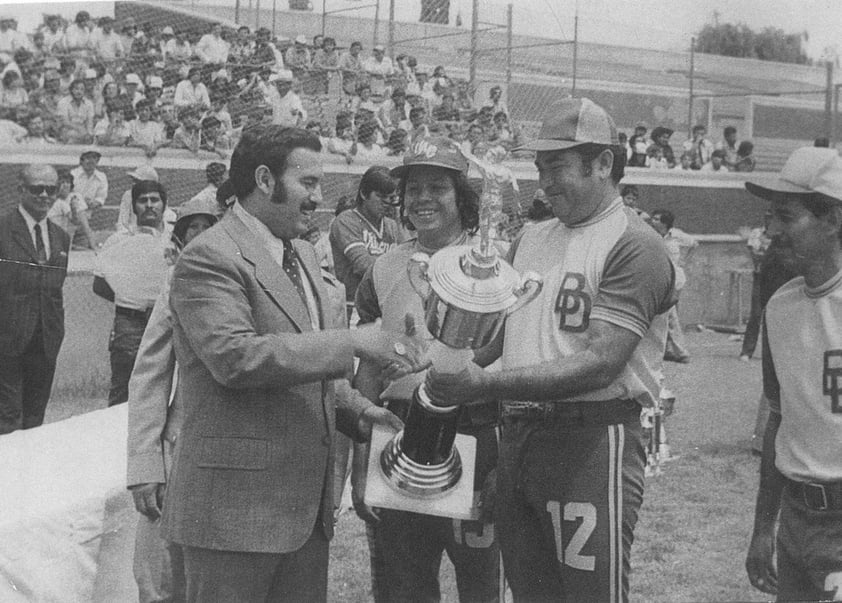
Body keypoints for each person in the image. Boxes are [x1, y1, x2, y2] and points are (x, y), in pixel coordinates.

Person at [160, 125, 426, 601]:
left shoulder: (301, 253)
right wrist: (355, 341)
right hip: (232, 518)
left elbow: (304, 365)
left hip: (304, 517)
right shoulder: (210, 255)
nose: (318, 199)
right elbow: (237, 357)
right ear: (265, 180)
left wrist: (360, 411)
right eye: (308, 183)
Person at [425, 97, 675, 602]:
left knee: (586, 595)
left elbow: (600, 363)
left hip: (590, 436)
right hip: (519, 436)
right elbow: (502, 338)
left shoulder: (635, 243)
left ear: (603, 163)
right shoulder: (532, 238)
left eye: (557, 167)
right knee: (531, 592)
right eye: (540, 168)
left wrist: (483, 383)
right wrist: (445, 365)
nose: (544, 182)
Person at [352, 137, 501, 602]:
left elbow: (507, 347)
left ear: (462, 198)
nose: (422, 199)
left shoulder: (494, 260)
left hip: (472, 430)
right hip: (399, 430)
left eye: (437, 187)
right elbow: (370, 367)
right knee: (403, 588)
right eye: (413, 188)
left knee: (479, 584)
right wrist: (360, 467)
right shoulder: (384, 266)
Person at [744, 146, 842, 602]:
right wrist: (763, 530)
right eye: (770, 216)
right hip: (797, 518)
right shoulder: (780, 307)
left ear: (833, 220)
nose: (771, 231)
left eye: (786, 216)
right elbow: (779, 422)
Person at [126, 194, 222, 603]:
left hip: (243, 464)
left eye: (209, 229)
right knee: (163, 579)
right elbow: (150, 372)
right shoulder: (176, 281)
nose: (201, 238)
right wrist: (145, 463)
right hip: (181, 448)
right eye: (192, 231)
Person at [0, 164, 69, 435]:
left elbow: (55, 290)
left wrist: (55, 331)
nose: (44, 195)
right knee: (8, 417)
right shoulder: (3, 230)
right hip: (6, 343)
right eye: (36, 189)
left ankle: (30, 476)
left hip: (45, 342)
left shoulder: (60, 237)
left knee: (35, 420)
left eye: (50, 189)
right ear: (21, 190)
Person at [94, 180, 171, 407]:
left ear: (164, 205)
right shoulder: (119, 241)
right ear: (134, 206)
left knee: (163, 387)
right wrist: (130, 298)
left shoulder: (175, 240)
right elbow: (99, 284)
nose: (149, 205)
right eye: (142, 200)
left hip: (164, 321)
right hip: (130, 322)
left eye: (154, 200)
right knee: (123, 389)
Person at [329, 165, 401, 322]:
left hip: (384, 307)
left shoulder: (392, 225)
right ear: (363, 193)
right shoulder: (346, 220)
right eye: (381, 197)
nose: (387, 203)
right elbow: (364, 265)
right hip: (353, 308)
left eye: (391, 198)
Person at [650, 209, 697, 364]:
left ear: (665, 223)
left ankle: (680, 351)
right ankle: (669, 349)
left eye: (657, 219)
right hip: (658, 277)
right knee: (666, 314)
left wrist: (684, 261)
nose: (653, 221)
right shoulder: (650, 234)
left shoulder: (676, 235)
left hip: (674, 278)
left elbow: (694, 244)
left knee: (670, 313)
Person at [47, 168, 97, 251]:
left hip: (79, 236)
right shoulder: (53, 200)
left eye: (67, 182)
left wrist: (94, 247)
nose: (65, 185)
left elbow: (85, 225)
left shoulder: (75, 198)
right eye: (62, 182)